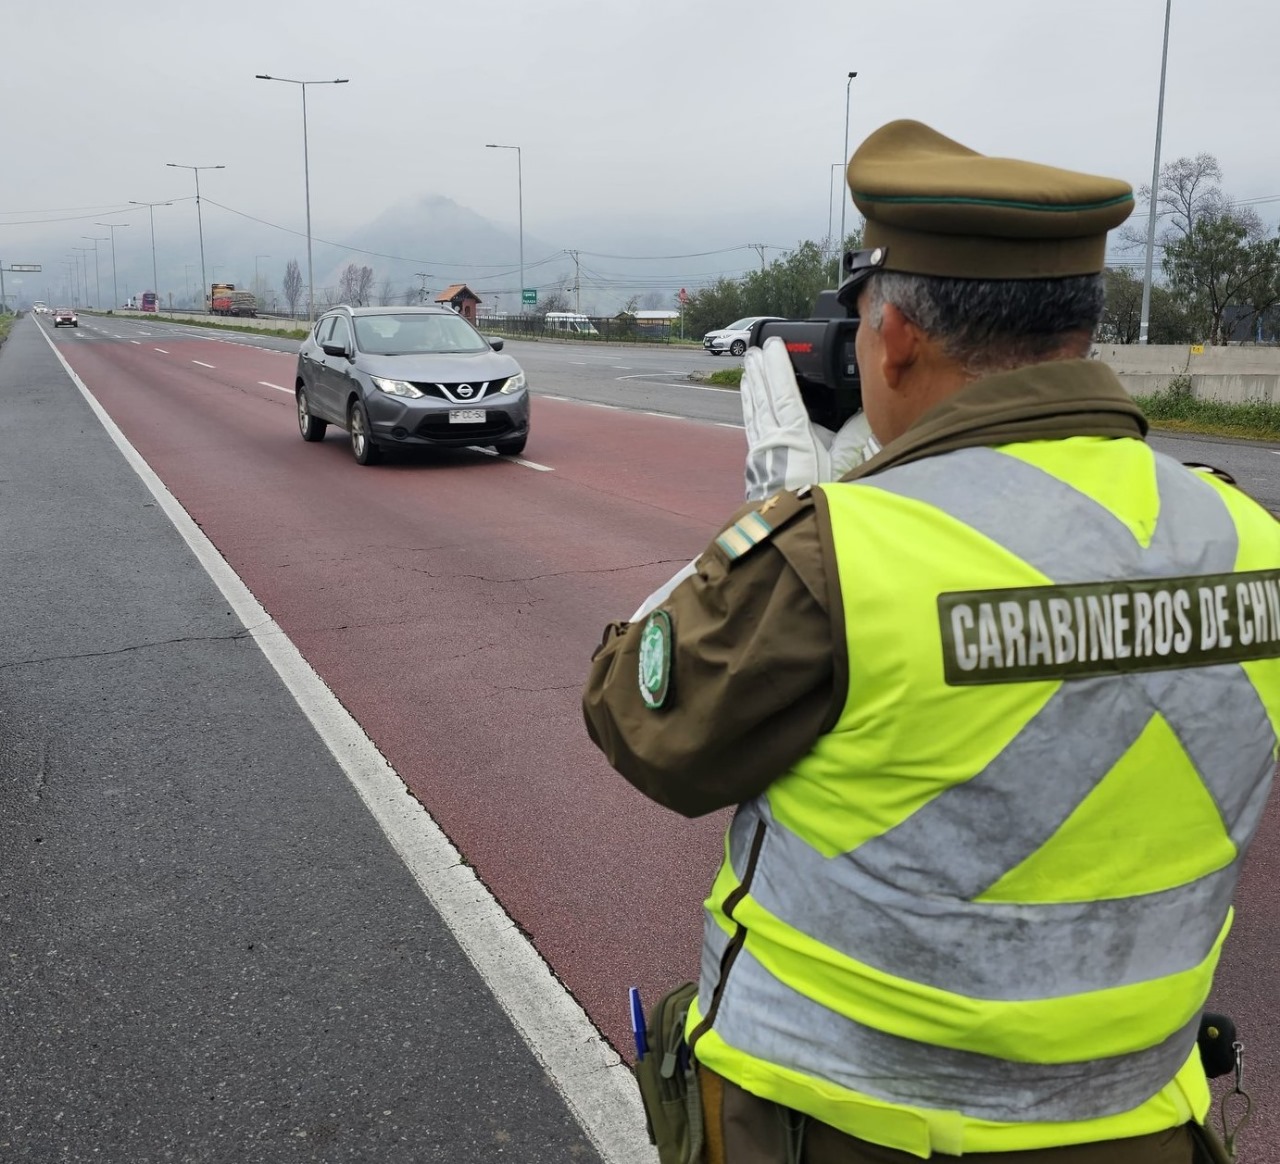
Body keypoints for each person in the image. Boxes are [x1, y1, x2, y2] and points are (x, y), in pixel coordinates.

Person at [582, 119, 1280, 1163]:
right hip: (1141, 1122)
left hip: (844, 1122)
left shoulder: (839, 553)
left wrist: (772, 520)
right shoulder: (1246, 539)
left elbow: (640, 723)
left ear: (894, 332)